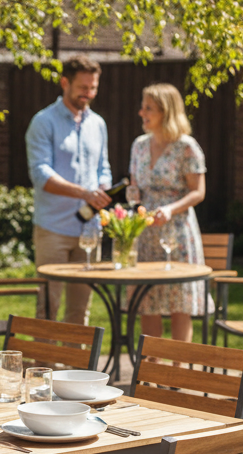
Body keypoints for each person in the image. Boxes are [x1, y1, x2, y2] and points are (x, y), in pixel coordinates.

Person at [26, 54, 112, 324]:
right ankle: (44, 366)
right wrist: (84, 193)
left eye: (94, 88)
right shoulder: (43, 122)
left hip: (89, 230)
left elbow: (103, 167)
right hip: (53, 229)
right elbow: (41, 174)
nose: (89, 94)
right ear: (65, 82)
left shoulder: (98, 124)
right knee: (48, 309)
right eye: (83, 88)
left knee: (79, 311)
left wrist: (103, 188)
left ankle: (76, 367)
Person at [129, 82, 210, 344]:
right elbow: (134, 186)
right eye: (142, 107)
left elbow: (198, 192)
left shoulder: (187, 147)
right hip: (146, 232)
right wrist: (133, 201)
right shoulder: (139, 145)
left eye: (148, 108)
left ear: (167, 112)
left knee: (179, 303)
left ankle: (178, 373)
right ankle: (152, 371)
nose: (142, 113)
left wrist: (170, 209)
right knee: (147, 302)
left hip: (177, 233)